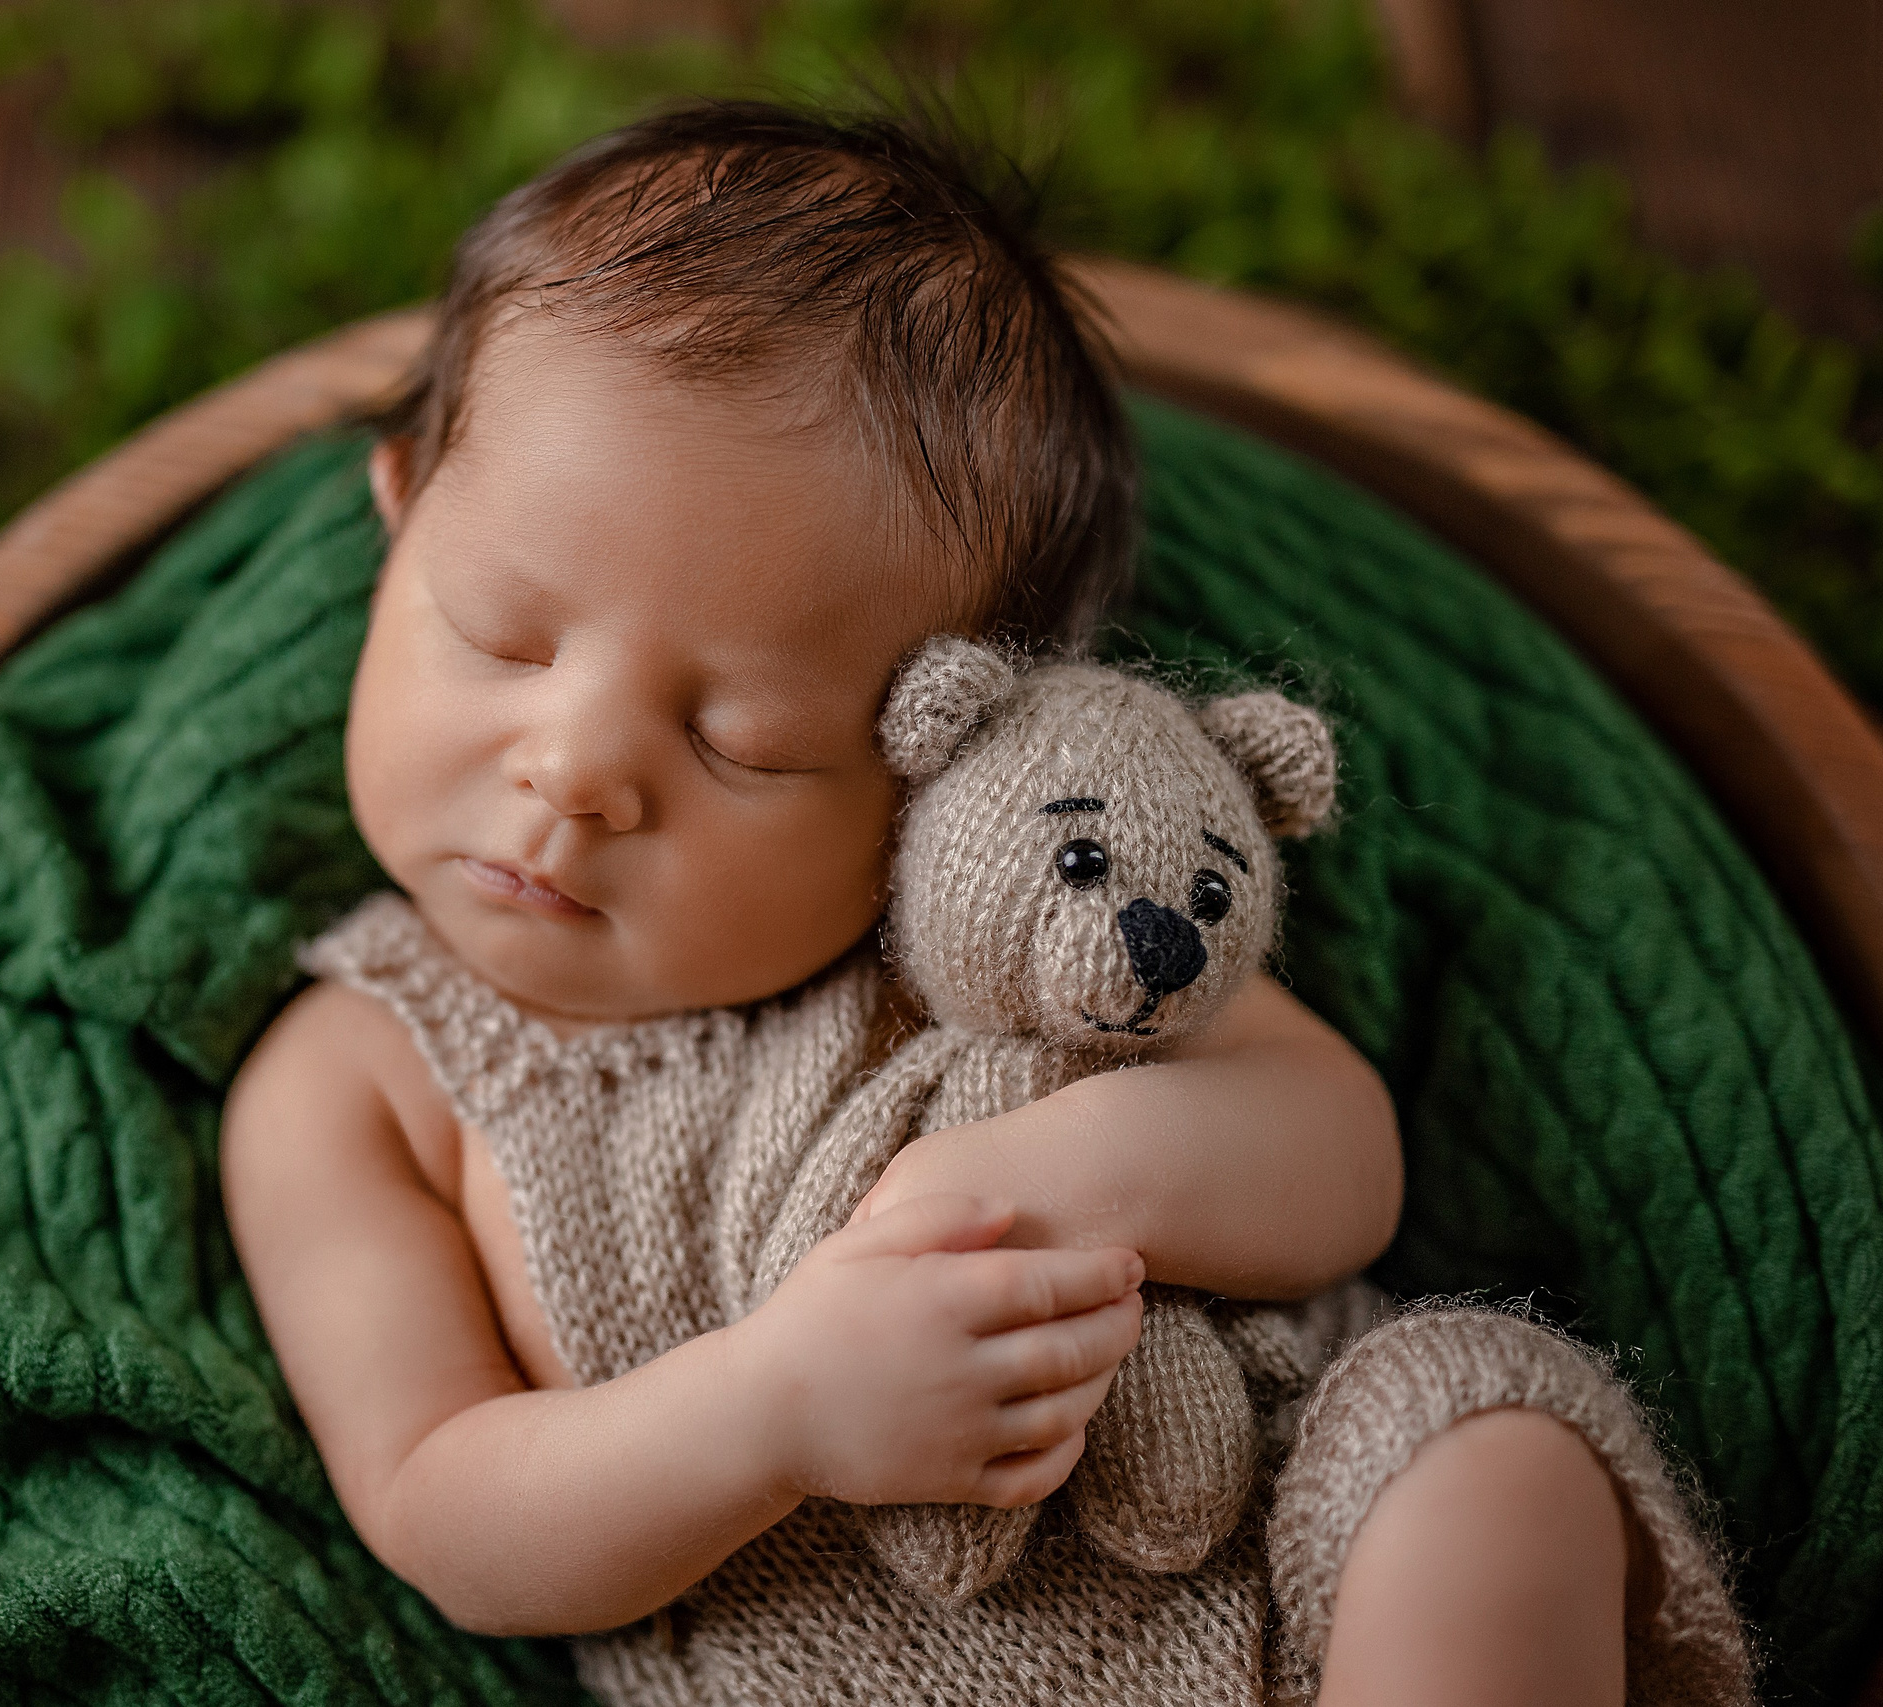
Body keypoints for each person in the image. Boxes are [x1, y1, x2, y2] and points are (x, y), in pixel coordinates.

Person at [222, 102, 1710, 1705]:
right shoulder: (353, 1082)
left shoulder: (985, 907)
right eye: (500, 635)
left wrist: (1029, 1180)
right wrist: (775, 1412)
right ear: (396, 515)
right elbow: (444, 1502)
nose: (575, 768)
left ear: (939, 746)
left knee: (1492, 1452)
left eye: (744, 742)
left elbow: (1339, 1151)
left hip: (1303, 1584)